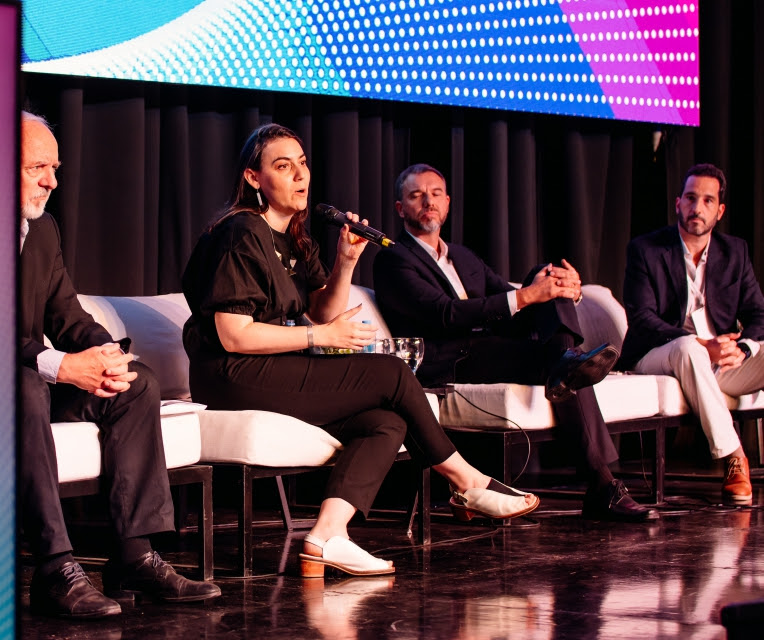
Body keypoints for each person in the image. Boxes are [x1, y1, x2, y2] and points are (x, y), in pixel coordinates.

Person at [181, 124, 539, 579]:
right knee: (391, 373)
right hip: (230, 372)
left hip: (271, 366)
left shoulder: (293, 235)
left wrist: (346, 261)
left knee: (385, 421)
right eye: (283, 166)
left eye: (302, 163)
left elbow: (321, 310)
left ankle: (327, 535)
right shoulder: (240, 232)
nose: (300, 175)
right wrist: (319, 338)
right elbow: (234, 335)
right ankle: (466, 480)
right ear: (254, 178)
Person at [18, 111, 220, 619]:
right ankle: (54, 567)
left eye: (55, 168)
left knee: (136, 384)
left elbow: (66, 315)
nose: (51, 182)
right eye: (37, 167)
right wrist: (61, 366)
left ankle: (134, 556)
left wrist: (109, 356)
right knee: (24, 385)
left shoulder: (42, 230)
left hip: (31, 376)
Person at [372, 163, 658, 522]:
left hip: (492, 348)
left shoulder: (463, 256)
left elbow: (510, 298)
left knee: (545, 277)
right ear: (401, 209)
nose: (428, 201)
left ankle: (567, 359)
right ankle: (602, 483)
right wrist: (529, 295)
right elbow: (445, 314)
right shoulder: (393, 259)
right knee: (559, 357)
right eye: (416, 195)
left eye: (435, 194)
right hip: (451, 360)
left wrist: (560, 287)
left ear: (447, 203)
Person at [620, 163, 763, 505]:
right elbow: (641, 319)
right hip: (660, 355)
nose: (697, 208)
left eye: (707, 200)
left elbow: (758, 314)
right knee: (688, 348)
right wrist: (703, 346)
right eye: (690, 198)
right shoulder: (646, 249)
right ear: (678, 203)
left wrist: (743, 349)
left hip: (719, 364)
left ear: (720, 210)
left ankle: (708, 371)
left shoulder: (735, 252)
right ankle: (734, 458)